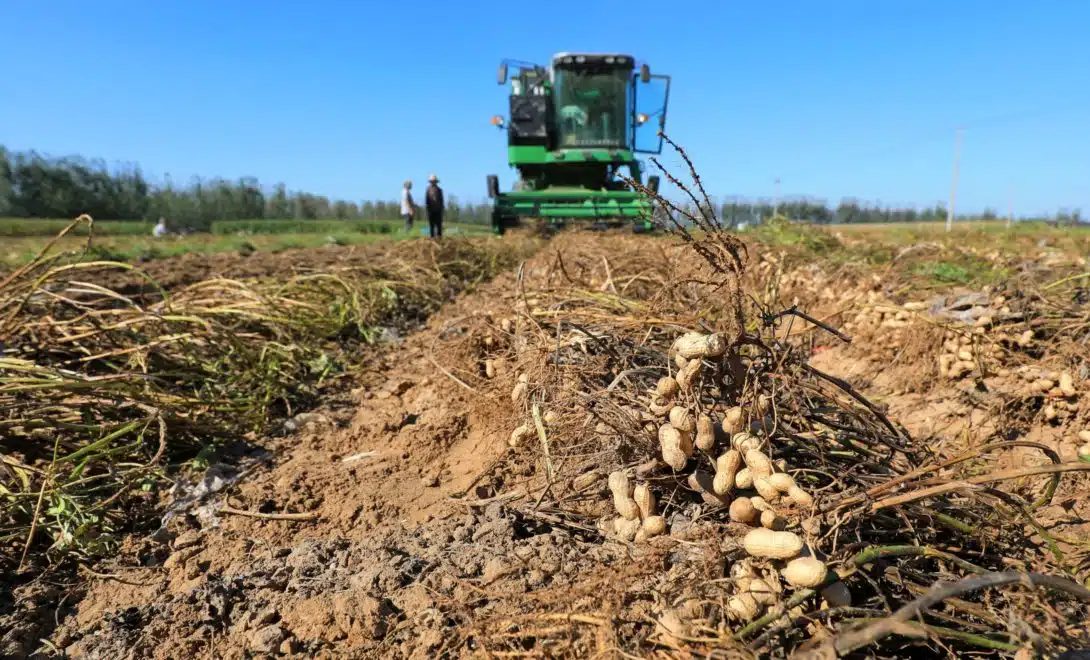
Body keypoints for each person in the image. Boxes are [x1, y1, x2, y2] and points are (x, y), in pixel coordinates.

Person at [425, 174, 444, 238]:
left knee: (439, 225)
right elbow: (427, 200)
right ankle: (432, 238)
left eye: (434, 181)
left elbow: (441, 201)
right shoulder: (428, 190)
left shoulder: (439, 190)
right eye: (432, 181)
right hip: (431, 210)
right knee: (431, 226)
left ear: (436, 182)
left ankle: (439, 238)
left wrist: (441, 209)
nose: (433, 182)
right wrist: (427, 209)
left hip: (438, 210)